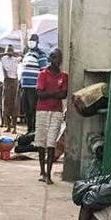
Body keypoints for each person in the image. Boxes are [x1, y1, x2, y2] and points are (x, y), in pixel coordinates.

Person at [34, 48, 68, 184]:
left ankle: (48, 174)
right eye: (54, 57)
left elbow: (63, 94)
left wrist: (48, 93)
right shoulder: (42, 74)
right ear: (49, 59)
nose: (57, 60)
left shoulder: (63, 76)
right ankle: (42, 171)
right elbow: (39, 94)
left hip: (56, 112)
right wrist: (55, 93)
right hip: (42, 111)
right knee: (41, 142)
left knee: (51, 142)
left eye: (59, 58)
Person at [19, 33, 48, 132]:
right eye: (30, 40)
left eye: (33, 40)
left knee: (33, 109)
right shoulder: (27, 54)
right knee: (26, 109)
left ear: (37, 42)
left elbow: (43, 70)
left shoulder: (41, 54)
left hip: (33, 86)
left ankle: (34, 130)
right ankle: (29, 129)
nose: (31, 42)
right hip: (24, 86)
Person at [1, 44, 20, 132]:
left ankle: (14, 127)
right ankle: (8, 126)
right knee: (6, 105)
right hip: (6, 81)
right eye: (8, 50)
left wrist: (14, 53)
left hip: (14, 82)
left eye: (11, 50)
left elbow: (23, 56)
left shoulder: (16, 59)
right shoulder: (3, 58)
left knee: (14, 105)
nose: (9, 52)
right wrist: (6, 53)